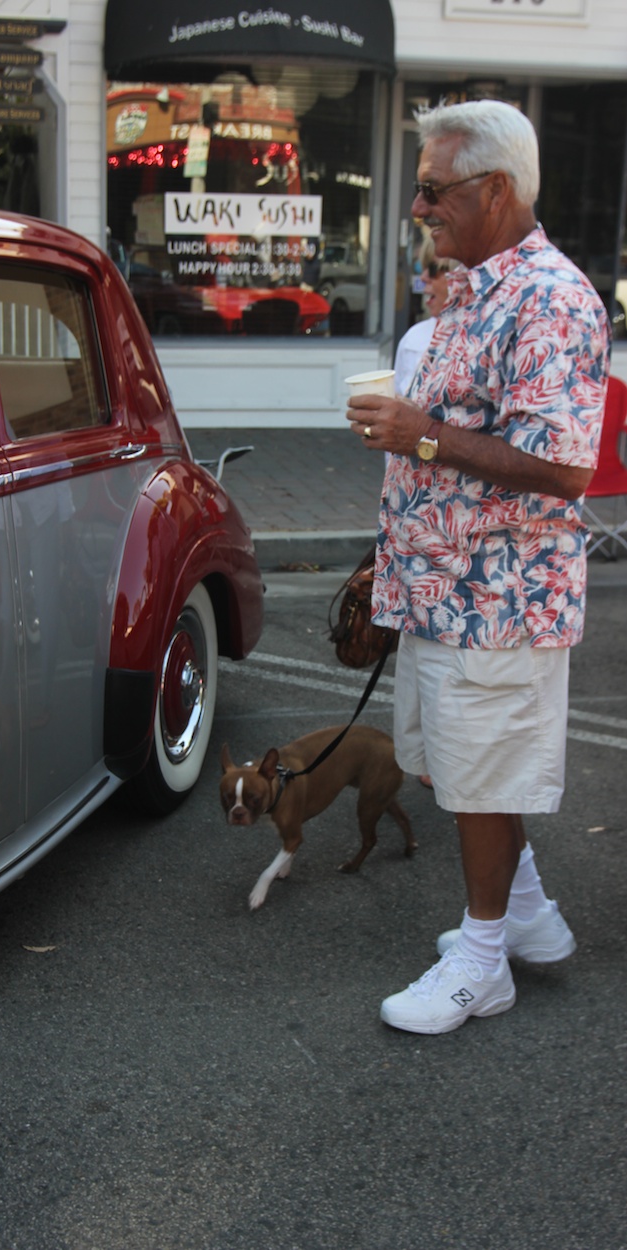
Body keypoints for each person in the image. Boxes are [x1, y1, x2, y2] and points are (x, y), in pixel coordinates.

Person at [346, 99, 611, 1035]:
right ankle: (528, 909)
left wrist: (420, 437)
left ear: (495, 189)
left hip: (498, 599)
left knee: (480, 777)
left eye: (431, 188)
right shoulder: (471, 289)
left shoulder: (551, 299)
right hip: (437, 588)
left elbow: (564, 466)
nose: (417, 206)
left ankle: (484, 955)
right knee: (450, 771)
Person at [393, 239, 453, 398]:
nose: (424, 277)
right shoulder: (413, 338)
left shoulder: (489, 337)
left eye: (433, 269)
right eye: (422, 268)